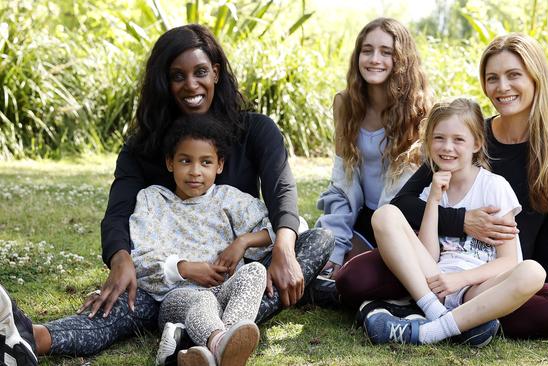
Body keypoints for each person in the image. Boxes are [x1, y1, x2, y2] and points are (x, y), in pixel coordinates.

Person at [0, 24, 334, 360]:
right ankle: (30, 339)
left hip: (236, 274)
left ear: (215, 73)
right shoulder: (142, 148)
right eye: (178, 76)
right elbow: (118, 213)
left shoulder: (257, 130)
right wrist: (121, 259)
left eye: (200, 71)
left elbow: (282, 193)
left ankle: (204, 339)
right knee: (124, 299)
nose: (191, 84)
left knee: (316, 241)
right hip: (169, 284)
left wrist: (284, 250)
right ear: (165, 82)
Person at [338, 33, 548, 339]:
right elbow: (402, 204)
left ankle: (425, 318)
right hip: (433, 265)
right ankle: (459, 320)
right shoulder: (463, 138)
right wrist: (462, 221)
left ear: (537, 78)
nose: (502, 87)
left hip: (493, 275)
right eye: (492, 77)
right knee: (353, 279)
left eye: (513, 75)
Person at [364, 98, 545, 347]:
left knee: (533, 272)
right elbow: (430, 255)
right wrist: (434, 201)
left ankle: (432, 331)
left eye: (458, 140)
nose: (447, 147)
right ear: (428, 142)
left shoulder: (494, 187)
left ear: (477, 143)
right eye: (439, 138)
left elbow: (508, 261)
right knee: (385, 214)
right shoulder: (432, 189)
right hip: (433, 285)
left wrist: (461, 280)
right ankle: (437, 313)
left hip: (477, 288)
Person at [313, 18, 429, 301]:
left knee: (360, 278)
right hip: (361, 222)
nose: (374, 59)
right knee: (318, 252)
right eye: (367, 50)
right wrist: (337, 248)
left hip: (404, 224)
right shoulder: (345, 104)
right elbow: (343, 181)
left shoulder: (421, 109)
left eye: (386, 52)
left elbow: (414, 194)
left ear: (401, 59)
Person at [136, 115, 268, 365]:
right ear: (170, 162)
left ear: (219, 165)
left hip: (225, 292)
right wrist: (185, 268)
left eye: (205, 162)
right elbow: (141, 259)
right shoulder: (152, 200)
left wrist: (243, 242)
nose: (195, 172)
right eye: (185, 161)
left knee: (255, 272)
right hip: (178, 297)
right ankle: (220, 342)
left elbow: (285, 226)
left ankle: (221, 347)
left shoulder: (228, 199)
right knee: (202, 298)